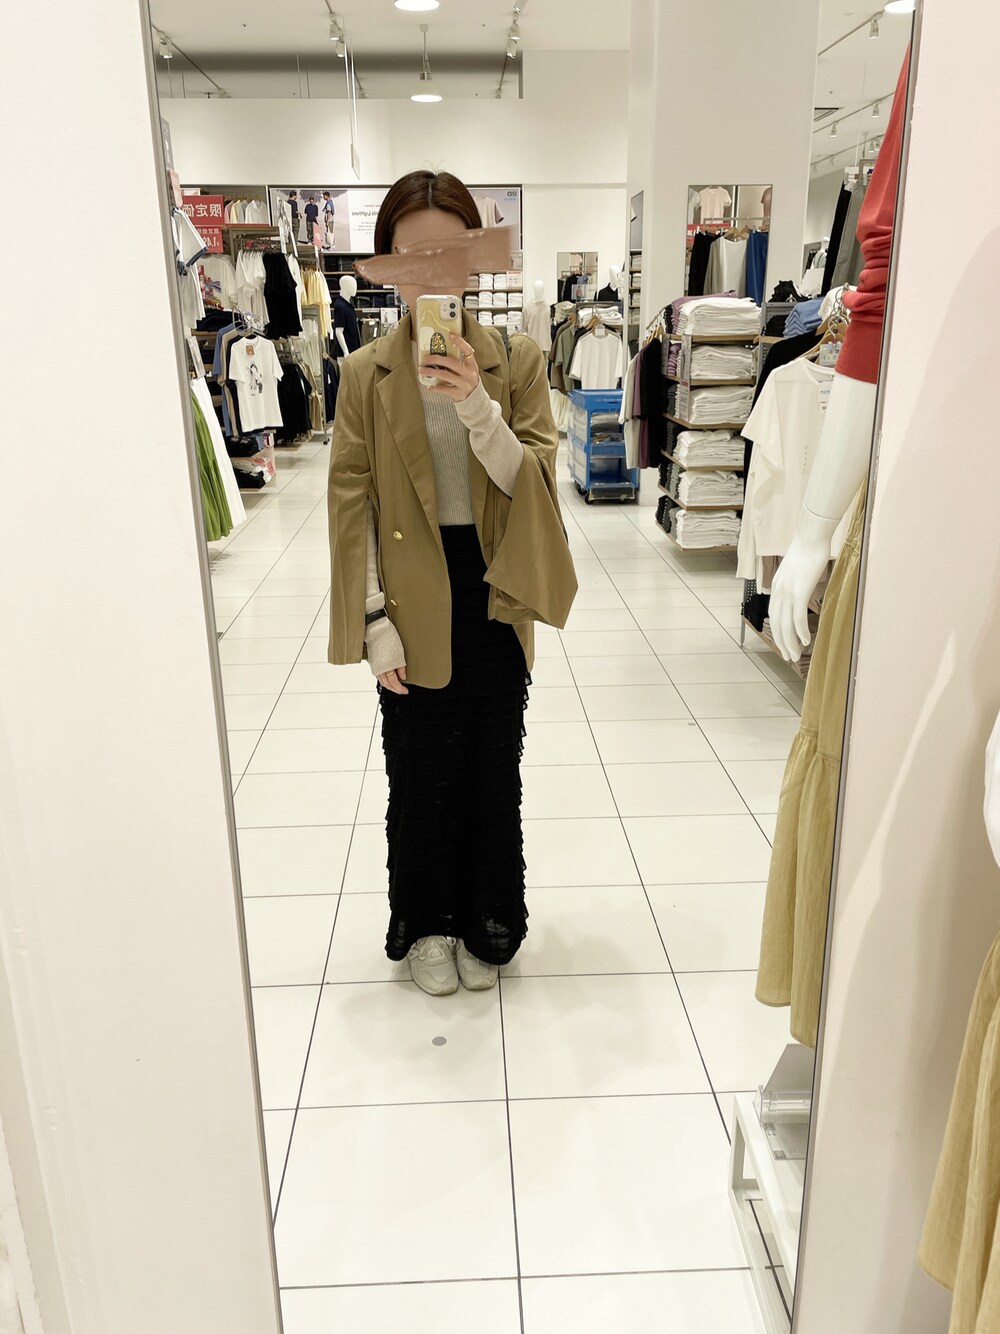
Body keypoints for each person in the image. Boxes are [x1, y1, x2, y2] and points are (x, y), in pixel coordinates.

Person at [327, 170, 576, 997]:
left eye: (448, 252)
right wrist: (372, 622)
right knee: (420, 768)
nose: (430, 272)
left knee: (492, 766)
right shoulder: (364, 373)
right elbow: (352, 506)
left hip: (496, 586)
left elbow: (534, 482)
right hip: (408, 592)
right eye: (411, 255)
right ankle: (429, 920)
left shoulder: (518, 359)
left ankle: (485, 918)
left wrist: (477, 405)